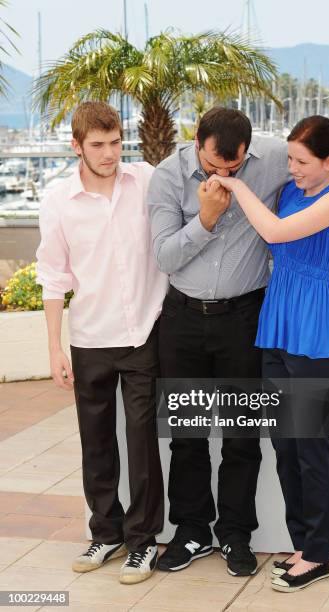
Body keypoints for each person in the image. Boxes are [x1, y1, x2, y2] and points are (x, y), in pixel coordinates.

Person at [147, 107, 329, 577]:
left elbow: (313, 200)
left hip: (254, 318)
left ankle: (238, 536)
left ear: (249, 151)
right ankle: (192, 531)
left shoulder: (274, 161)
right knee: (193, 433)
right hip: (197, 318)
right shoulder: (168, 176)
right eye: (214, 166)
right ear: (197, 142)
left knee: (250, 435)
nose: (223, 174)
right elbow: (163, 256)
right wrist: (205, 219)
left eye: (234, 166)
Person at [206, 115, 329, 592]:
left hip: (314, 330)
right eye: (289, 158)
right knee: (285, 445)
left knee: (312, 447)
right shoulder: (293, 190)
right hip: (276, 327)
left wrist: (232, 181)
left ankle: (319, 553)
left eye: (303, 161)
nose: (292, 168)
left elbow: (273, 233)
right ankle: (302, 543)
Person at [36, 101, 168, 584]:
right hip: (89, 336)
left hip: (143, 334)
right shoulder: (57, 202)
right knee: (96, 443)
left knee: (141, 442)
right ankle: (106, 532)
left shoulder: (148, 180)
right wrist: (54, 349)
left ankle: (143, 542)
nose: (110, 154)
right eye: (98, 145)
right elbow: (53, 278)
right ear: (77, 146)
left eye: (115, 143)